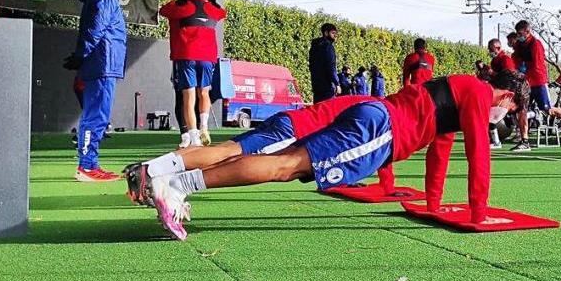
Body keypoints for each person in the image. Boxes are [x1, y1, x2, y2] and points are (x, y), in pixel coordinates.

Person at [143, 70, 529, 240]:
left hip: (376, 119)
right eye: (509, 112)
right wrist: (480, 215)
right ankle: (175, 184)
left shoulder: (459, 89)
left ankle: (170, 179)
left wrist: (434, 205)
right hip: (381, 129)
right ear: (507, 97)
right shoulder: (480, 95)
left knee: (287, 163)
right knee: (286, 166)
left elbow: (439, 152)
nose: (503, 118)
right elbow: (480, 155)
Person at [125, 95, 398, 205]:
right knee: (228, 153)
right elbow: (386, 153)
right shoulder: (379, 114)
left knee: (227, 150)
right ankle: (155, 173)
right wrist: (388, 186)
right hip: (293, 130)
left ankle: (151, 170)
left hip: (288, 121)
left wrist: (388, 184)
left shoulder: (372, 104)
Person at [63, 0, 131, 182]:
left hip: (103, 62)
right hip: (103, 62)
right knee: (96, 116)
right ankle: (87, 167)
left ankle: (89, 164)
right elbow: (96, 29)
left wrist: (81, 56)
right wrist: (81, 55)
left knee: (96, 115)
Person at [159, 0, 226, 148]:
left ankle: (194, 136)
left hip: (186, 56)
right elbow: (222, 12)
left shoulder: (181, 6)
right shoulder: (212, 8)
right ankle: (204, 125)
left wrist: (179, 1)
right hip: (208, 57)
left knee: (188, 96)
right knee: (204, 93)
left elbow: (163, 10)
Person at [509, 20, 549, 152]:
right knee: (521, 110)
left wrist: (524, 76)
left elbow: (537, 67)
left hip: (538, 81)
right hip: (526, 83)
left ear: (527, 32)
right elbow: (516, 59)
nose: (518, 36)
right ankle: (524, 141)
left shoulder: (536, 45)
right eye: (517, 33)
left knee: (547, 109)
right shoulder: (520, 45)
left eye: (520, 33)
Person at [308, 23, 338, 103]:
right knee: (328, 111)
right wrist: (336, 83)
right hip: (327, 86)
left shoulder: (314, 46)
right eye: (333, 33)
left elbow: (311, 65)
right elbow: (331, 66)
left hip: (316, 85)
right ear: (326, 33)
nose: (335, 36)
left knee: (317, 110)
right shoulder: (328, 47)